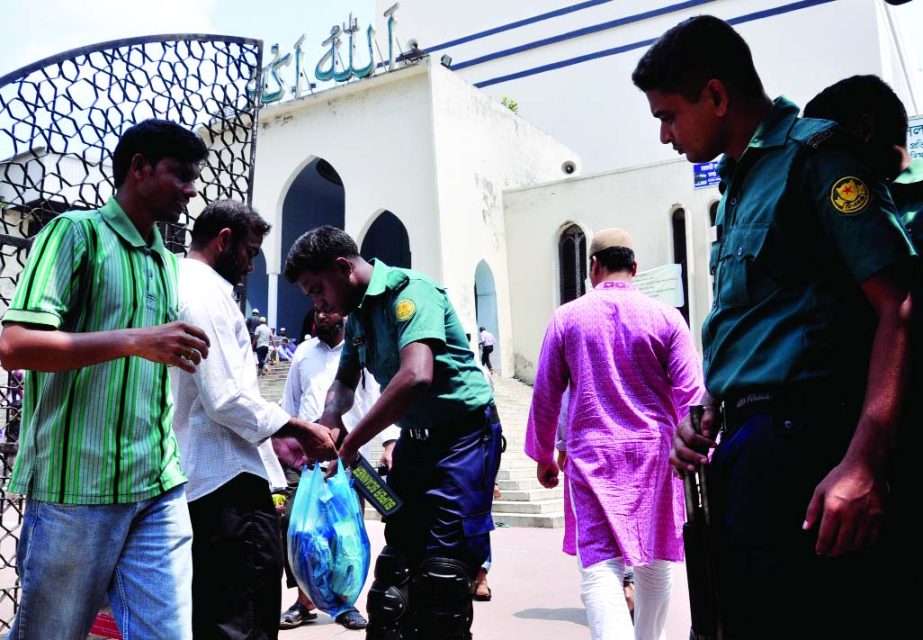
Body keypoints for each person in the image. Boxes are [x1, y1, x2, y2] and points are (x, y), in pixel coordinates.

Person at [633, 16, 916, 638]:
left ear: (716, 95)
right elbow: (762, 323)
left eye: (670, 115)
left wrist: (864, 458)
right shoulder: (740, 181)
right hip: (747, 446)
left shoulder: (817, 156)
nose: (663, 135)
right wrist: (710, 403)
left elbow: (897, 305)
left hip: (809, 446)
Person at [0, 119, 213, 639]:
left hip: (157, 485)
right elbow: (14, 346)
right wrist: (135, 339)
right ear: (138, 169)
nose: (191, 189)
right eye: (180, 175)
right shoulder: (76, 234)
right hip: (78, 489)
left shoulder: (165, 260)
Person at [283, 225, 502, 640]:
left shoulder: (411, 292)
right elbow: (345, 380)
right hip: (415, 442)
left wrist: (350, 444)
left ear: (343, 267)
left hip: (463, 441)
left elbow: (416, 375)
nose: (317, 304)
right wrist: (330, 417)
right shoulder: (359, 315)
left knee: (442, 573)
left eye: (317, 290)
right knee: (394, 575)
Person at [170, 199, 337, 640]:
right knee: (242, 617)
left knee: (219, 611)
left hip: (209, 477)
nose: (250, 265)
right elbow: (225, 398)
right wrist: (298, 427)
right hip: (226, 482)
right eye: (250, 251)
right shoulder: (204, 294)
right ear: (225, 241)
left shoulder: (183, 283)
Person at [525, 228, 703, 640]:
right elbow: (692, 392)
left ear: (593, 267)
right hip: (655, 456)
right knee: (655, 561)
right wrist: (696, 452)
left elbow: (546, 392)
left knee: (600, 567)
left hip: (593, 458)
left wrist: (544, 455)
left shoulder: (567, 318)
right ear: (635, 267)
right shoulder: (666, 317)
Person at [803, 74, 923, 601]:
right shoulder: (814, 204)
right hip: (844, 423)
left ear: (863, 131)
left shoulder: (897, 199)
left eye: (827, 142)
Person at [278, 306, 401, 631]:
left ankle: (344, 602)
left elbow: (379, 398)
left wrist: (390, 443)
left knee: (343, 530)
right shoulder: (303, 352)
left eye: (328, 311)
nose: (321, 315)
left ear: (344, 315)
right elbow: (290, 402)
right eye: (317, 311)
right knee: (299, 526)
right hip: (305, 455)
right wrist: (282, 441)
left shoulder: (360, 353)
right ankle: (304, 601)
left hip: (348, 455)